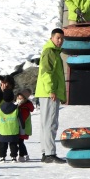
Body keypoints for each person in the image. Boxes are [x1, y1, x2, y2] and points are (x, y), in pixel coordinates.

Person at [35, 28, 67, 163]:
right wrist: (51, 90)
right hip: (49, 93)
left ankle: (45, 152)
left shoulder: (53, 52)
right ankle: (50, 153)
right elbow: (46, 73)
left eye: (62, 39)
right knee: (50, 123)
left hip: (45, 92)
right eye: (58, 38)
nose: (60, 41)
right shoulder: (50, 52)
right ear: (52, 38)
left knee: (45, 123)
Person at [0, 88, 26, 161]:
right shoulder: (16, 108)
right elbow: (20, 120)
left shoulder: (0, 108)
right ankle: (13, 157)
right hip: (13, 130)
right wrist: (22, 130)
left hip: (3, 130)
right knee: (13, 144)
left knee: (2, 144)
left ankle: (2, 156)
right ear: (13, 98)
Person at [16, 91, 35, 161]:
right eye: (18, 98)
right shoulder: (17, 106)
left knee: (20, 142)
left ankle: (21, 156)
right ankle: (26, 155)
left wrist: (19, 106)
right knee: (20, 142)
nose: (19, 100)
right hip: (19, 127)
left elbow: (22, 118)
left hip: (23, 128)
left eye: (21, 98)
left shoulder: (25, 107)